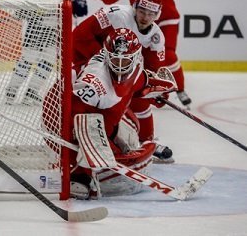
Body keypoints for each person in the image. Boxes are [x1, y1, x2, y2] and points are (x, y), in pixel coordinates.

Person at [43, 28, 175, 199]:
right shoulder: (94, 80)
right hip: (60, 118)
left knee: (132, 123)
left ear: (135, 57)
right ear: (106, 55)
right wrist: (87, 161)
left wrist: (158, 89)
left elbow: (141, 81)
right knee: (99, 145)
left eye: (125, 61)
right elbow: (80, 118)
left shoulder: (133, 68)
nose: (119, 67)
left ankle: (99, 157)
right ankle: (80, 176)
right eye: (115, 60)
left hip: (93, 114)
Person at [74, 0, 175, 163]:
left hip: (121, 67)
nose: (145, 17)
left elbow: (153, 70)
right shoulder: (116, 14)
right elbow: (81, 34)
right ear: (135, 6)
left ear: (157, 14)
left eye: (151, 14)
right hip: (90, 60)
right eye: (142, 11)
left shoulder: (156, 37)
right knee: (93, 97)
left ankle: (147, 141)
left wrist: (156, 92)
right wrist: (102, 61)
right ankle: (80, 134)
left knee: (141, 101)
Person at [90, 0, 192, 110]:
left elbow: (146, 2)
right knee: (137, 54)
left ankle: (180, 90)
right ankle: (147, 89)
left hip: (165, 17)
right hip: (143, 20)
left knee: (169, 55)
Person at [5, 0, 88, 106]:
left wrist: (80, 1)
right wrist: (32, 12)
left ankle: (31, 92)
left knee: (48, 60)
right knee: (28, 59)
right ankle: (11, 90)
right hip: (38, 27)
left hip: (58, 27)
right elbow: (23, 5)